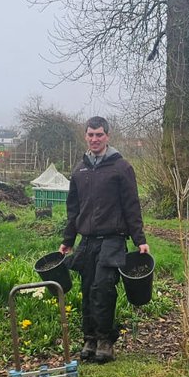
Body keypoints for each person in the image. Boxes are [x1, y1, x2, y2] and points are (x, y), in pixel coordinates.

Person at [59, 117, 149, 364]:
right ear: (85, 136)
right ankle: (89, 339)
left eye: (99, 134)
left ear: (107, 136)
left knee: (103, 289)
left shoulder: (121, 168)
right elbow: (73, 209)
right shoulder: (80, 170)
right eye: (90, 134)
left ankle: (105, 341)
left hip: (112, 239)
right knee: (87, 289)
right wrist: (68, 240)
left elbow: (132, 205)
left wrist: (139, 239)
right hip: (87, 240)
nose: (94, 139)